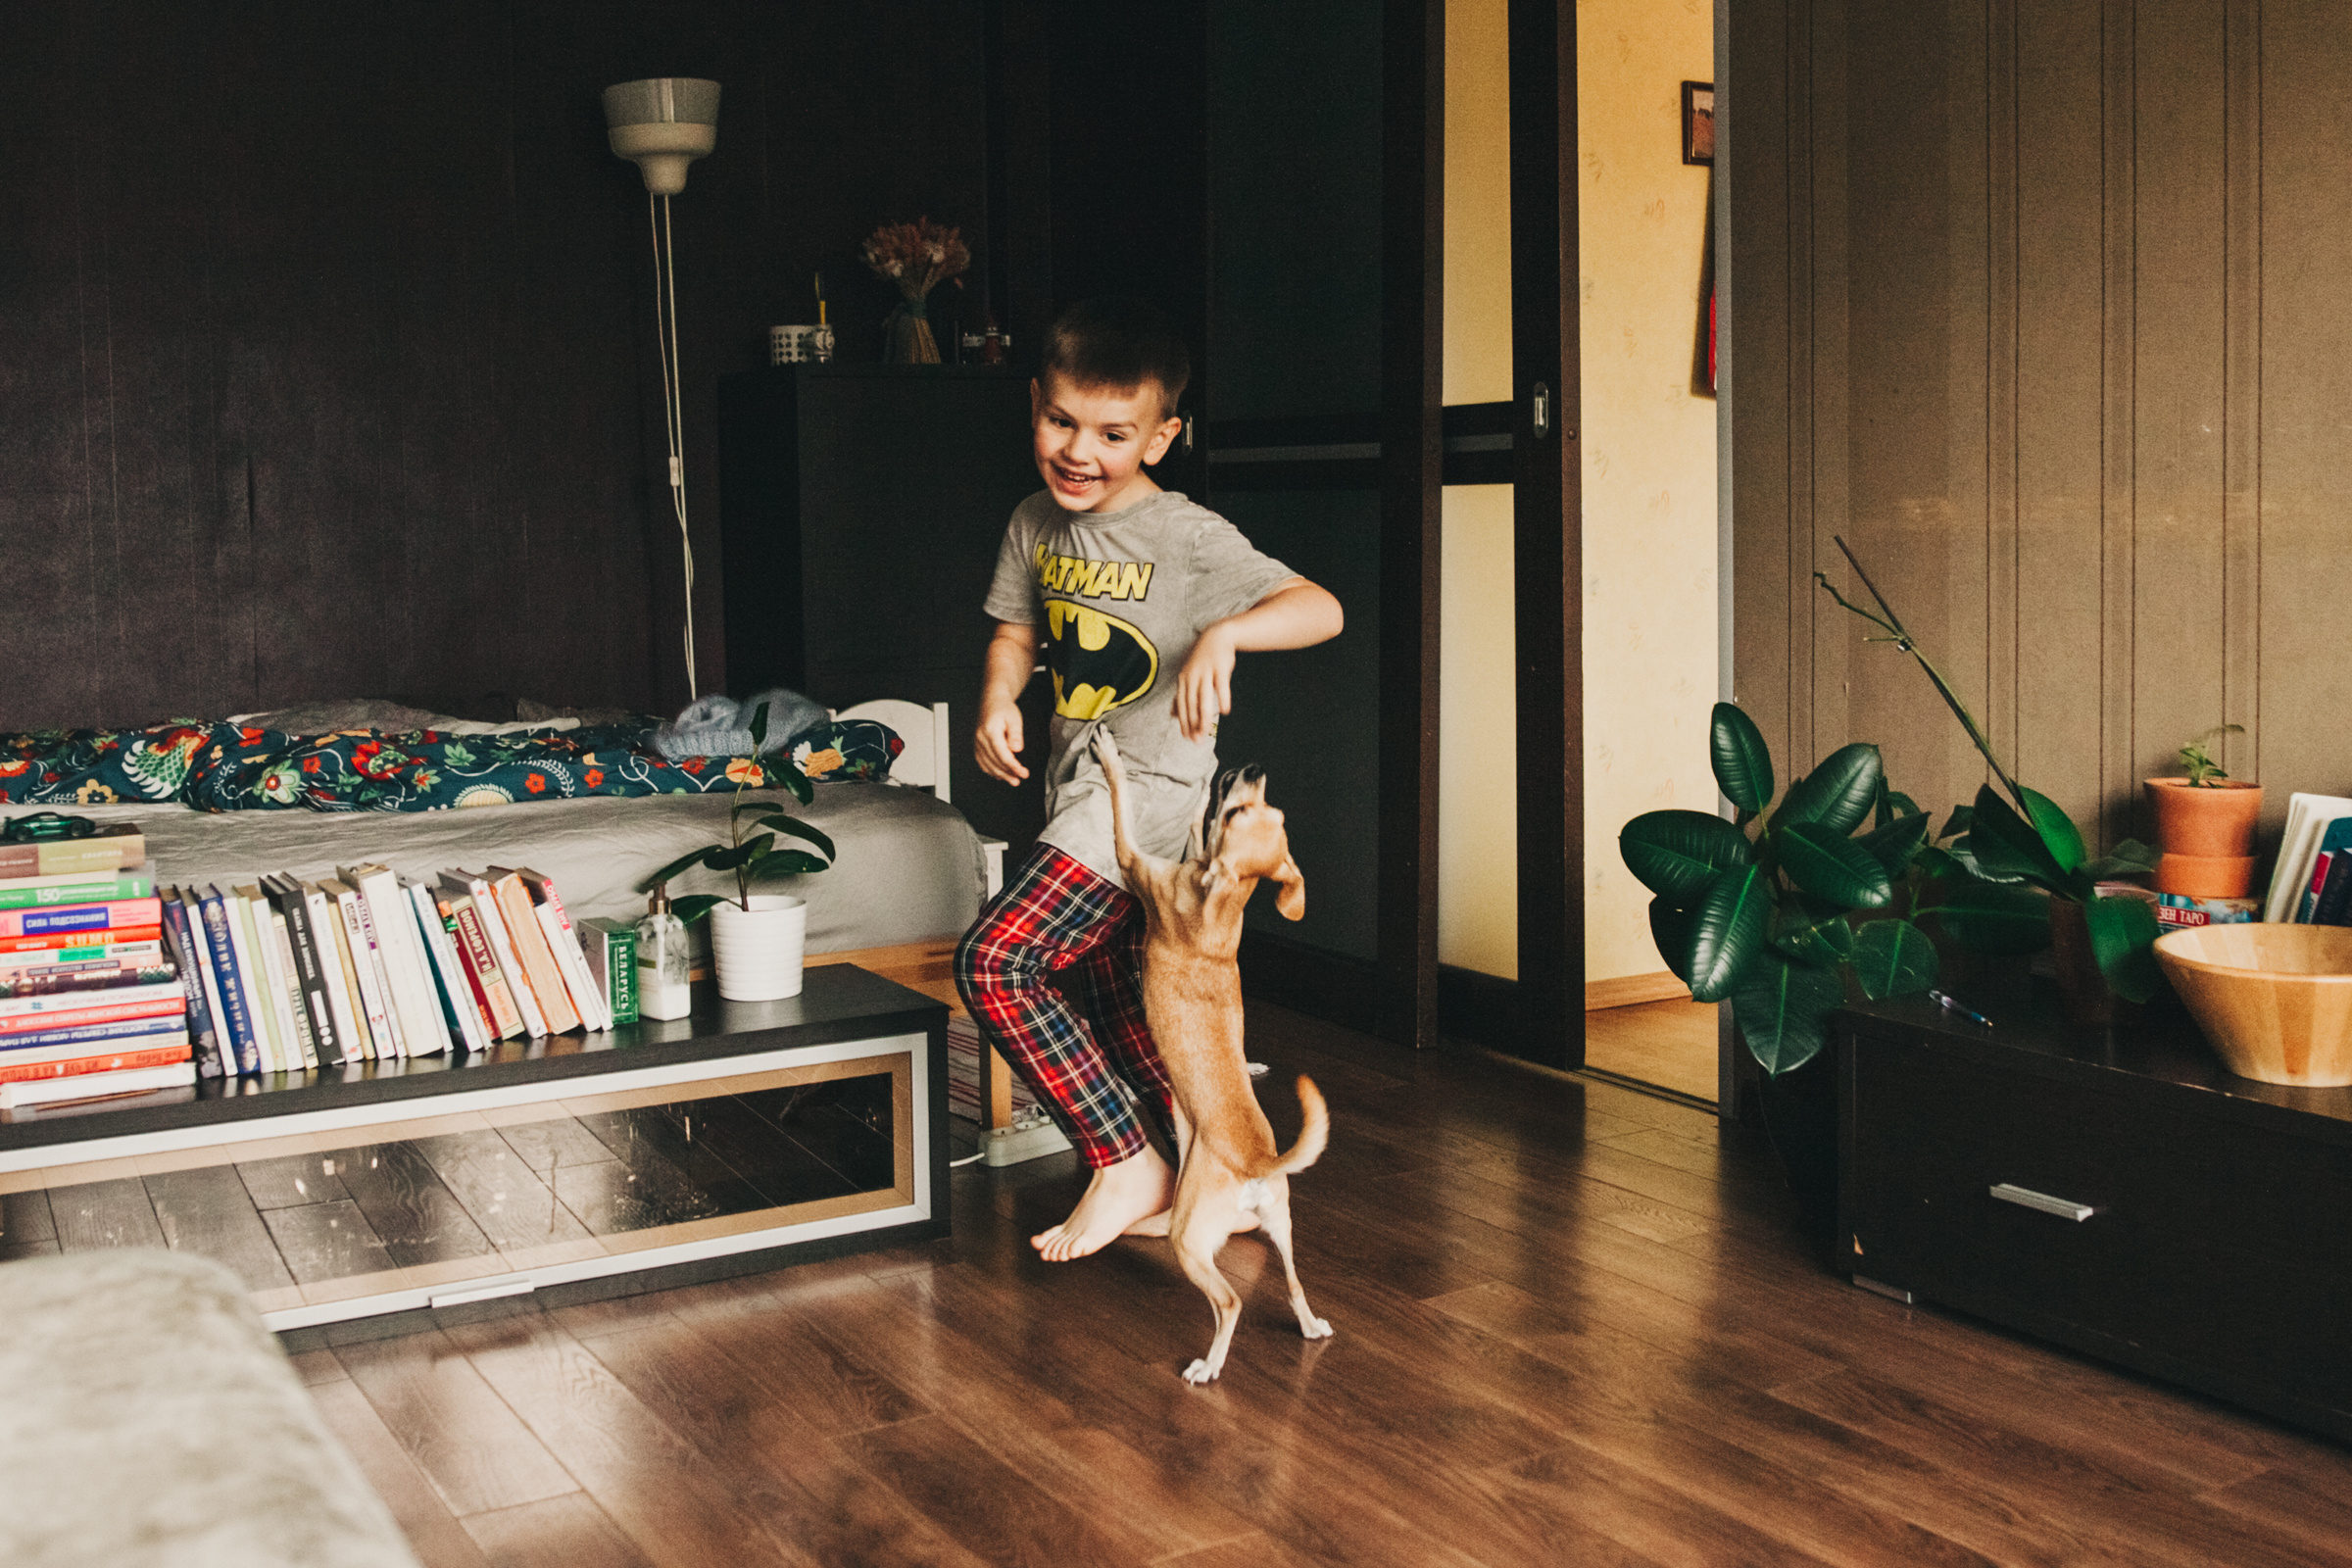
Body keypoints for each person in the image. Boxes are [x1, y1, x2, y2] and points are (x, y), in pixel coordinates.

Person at [954, 296, 1345, 1261]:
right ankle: (1216, 1169)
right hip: (1079, 784)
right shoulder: (1033, 522)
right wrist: (996, 698)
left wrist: (1228, 629)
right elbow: (1015, 633)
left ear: (1161, 437)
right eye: (1060, 422)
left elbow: (1320, 608)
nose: (1079, 450)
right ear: (1035, 406)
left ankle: (1123, 1156)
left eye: (1114, 433)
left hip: (1152, 795)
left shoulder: (1184, 536)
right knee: (1122, 994)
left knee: (998, 962)